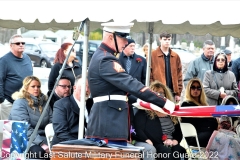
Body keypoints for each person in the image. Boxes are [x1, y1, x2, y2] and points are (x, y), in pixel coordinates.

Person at [86, 22, 175, 146]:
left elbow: (122, 91)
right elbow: (130, 84)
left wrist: (144, 102)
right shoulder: (105, 59)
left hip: (110, 122)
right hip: (108, 124)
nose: (125, 43)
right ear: (111, 37)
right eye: (123, 38)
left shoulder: (104, 56)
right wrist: (163, 102)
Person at [119, 39, 155, 160]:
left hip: (136, 96)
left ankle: (136, 137)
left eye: (134, 46)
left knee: (136, 120)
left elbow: (145, 80)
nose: (133, 48)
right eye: (130, 46)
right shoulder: (117, 59)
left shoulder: (141, 60)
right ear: (124, 47)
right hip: (121, 96)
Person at [134, 81, 187, 160]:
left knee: (180, 151)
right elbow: (138, 129)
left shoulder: (170, 111)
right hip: (155, 143)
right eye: (155, 93)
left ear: (166, 95)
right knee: (167, 154)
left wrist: (174, 141)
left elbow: (178, 132)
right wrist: (147, 140)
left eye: (161, 93)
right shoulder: (144, 111)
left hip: (171, 143)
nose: (158, 95)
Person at [9, 76, 52, 159]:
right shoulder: (19, 103)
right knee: (39, 153)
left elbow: (52, 122)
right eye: (33, 86)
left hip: (44, 137)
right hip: (24, 139)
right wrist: (42, 144)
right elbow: (24, 128)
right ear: (26, 87)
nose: (36, 89)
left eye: (38, 86)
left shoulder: (44, 102)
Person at [0, 34, 33, 120]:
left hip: (24, 102)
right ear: (11, 45)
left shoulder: (27, 59)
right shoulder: (4, 60)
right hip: (8, 102)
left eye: (23, 43)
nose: (21, 45)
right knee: (7, 130)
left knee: (21, 129)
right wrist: (2, 100)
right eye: (18, 43)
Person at [52, 75, 91, 146]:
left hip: (89, 146)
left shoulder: (92, 104)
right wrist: (80, 145)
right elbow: (61, 132)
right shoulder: (61, 104)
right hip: (66, 146)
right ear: (74, 88)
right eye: (83, 86)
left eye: (89, 87)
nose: (86, 90)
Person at [181, 78, 218, 147]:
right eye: (193, 87)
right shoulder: (186, 104)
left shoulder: (204, 105)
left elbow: (213, 121)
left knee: (227, 137)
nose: (196, 90)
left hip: (208, 133)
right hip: (195, 136)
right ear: (189, 89)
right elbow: (198, 122)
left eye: (198, 88)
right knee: (221, 137)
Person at [150, 33, 182, 103]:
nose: (167, 41)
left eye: (169, 39)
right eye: (165, 39)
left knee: (171, 113)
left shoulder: (175, 56)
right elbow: (150, 74)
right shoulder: (153, 55)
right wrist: (153, 90)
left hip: (172, 92)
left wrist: (178, 93)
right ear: (160, 39)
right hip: (158, 92)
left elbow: (179, 75)